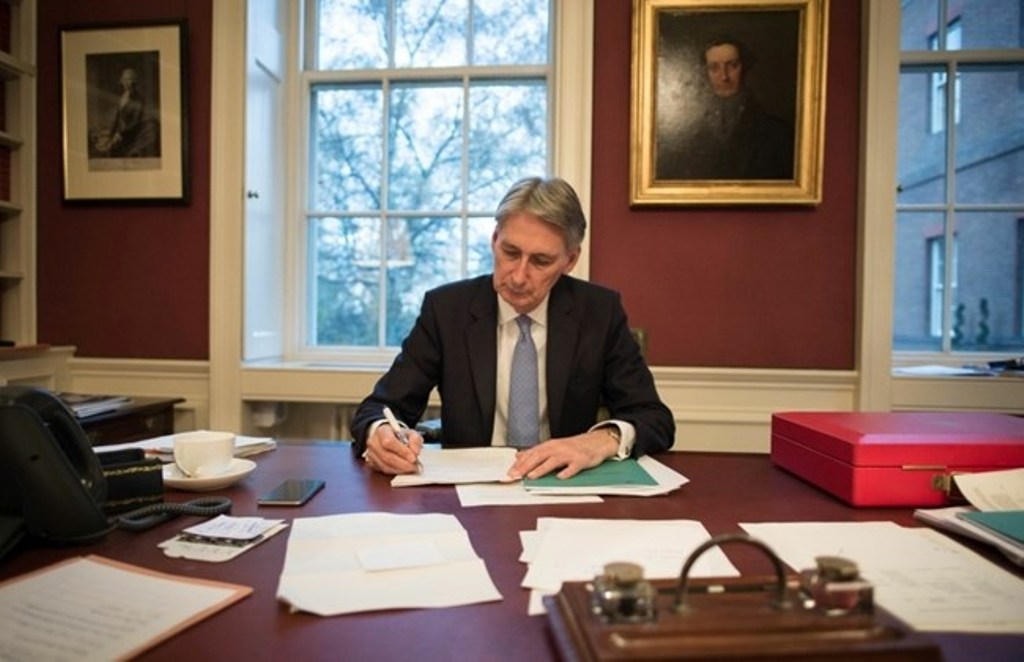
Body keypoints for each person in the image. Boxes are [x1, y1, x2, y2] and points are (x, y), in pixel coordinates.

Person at [351, 176, 675, 479]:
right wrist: (378, 433)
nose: (518, 276)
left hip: (562, 486)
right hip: (468, 490)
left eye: (541, 261)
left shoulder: (598, 313)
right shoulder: (447, 310)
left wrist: (600, 441)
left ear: (570, 260)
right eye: (510, 252)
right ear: (494, 240)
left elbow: (654, 419)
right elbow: (380, 407)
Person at [656, 36, 794, 181]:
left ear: (745, 67)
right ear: (705, 72)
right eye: (714, 68)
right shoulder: (683, 131)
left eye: (733, 65)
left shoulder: (778, 132)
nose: (724, 77)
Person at [92, 67, 160, 158]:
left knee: (116, 151)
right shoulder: (123, 97)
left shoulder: (138, 99)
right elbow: (118, 118)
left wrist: (120, 133)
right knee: (102, 145)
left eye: (129, 79)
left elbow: (135, 121)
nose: (126, 82)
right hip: (120, 132)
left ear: (134, 82)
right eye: (124, 79)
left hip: (130, 133)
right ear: (121, 81)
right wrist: (112, 134)